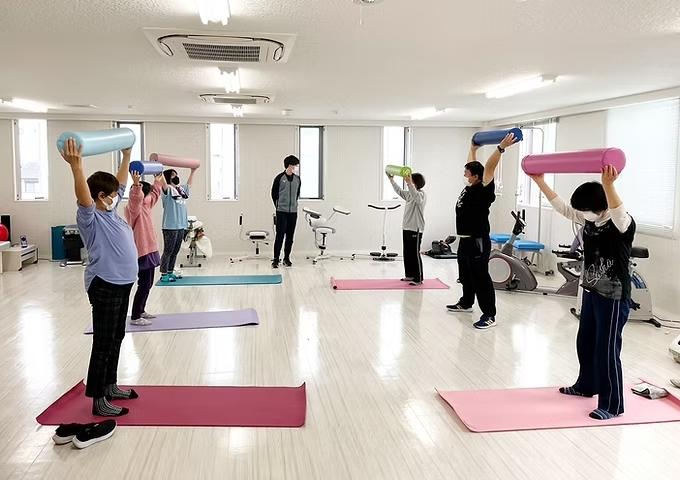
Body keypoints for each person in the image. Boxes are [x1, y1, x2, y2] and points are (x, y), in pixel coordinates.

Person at [530, 166, 635, 420]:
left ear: (599, 206)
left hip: (613, 295)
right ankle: (586, 386)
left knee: (606, 349)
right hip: (591, 290)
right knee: (585, 341)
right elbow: (564, 208)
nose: (582, 213)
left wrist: (608, 184)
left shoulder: (621, 223)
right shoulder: (590, 219)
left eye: (585, 208)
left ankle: (612, 405)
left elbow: (618, 210)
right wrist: (540, 182)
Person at [61, 138, 138, 417]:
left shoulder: (111, 211)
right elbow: (84, 198)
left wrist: (126, 155)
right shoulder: (91, 218)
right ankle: (98, 399)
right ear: (100, 196)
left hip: (123, 283)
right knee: (103, 342)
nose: (117, 196)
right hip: (105, 284)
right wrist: (76, 167)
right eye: (112, 194)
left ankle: (110, 385)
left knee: (117, 336)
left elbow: (119, 183)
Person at [446, 133, 517, 329]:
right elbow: (473, 164)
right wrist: (473, 149)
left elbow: (489, 167)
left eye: (467, 173)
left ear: (476, 176)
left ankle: (489, 314)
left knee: (480, 277)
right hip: (465, 239)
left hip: (477, 239)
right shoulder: (471, 185)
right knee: (465, 273)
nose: (464, 175)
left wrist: (500, 148)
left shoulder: (484, 188)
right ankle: (466, 302)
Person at [125, 170, 164, 326]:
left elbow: (155, 195)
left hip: (151, 248)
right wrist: (136, 184)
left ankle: (141, 310)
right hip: (142, 250)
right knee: (144, 283)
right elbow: (135, 199)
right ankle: (135, 316)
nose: (148, 198)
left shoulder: (146, 206)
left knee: (148, 283)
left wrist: (157, 180)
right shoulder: (134, 209)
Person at [387, 172, 427, 285]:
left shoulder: (421, 194)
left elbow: (417, 198)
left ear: (415, 182)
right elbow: (399, 191)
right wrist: (391, 180)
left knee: (414, 253)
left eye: (411, 180)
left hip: (416, 228)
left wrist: (409, 183)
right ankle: (410, 275)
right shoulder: (409, 194)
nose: (408, 182)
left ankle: (418, 278)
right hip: (406, 227)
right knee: (407, 252)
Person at [160, 167, 197, 282]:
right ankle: (164, 274)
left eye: (176, 174)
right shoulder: (167, 189)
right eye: (172, 175)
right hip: (170, 226)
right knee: (168, 251)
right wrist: (159, 171)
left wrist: (193, 171)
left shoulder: (180, 190)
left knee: (175, 251)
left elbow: (189, 185)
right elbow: (163, 182)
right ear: (167, 178)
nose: (176, 177)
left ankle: (170, 272)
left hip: (181, 225)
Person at [271, 155, 301, 268]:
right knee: (280, 236)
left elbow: (297, 194)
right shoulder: (279, 178)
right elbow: (274, 194)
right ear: (289, 165)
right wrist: (278, 206)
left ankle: (286, 258)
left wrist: (293, 204)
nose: (296, 168)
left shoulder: (297, 179)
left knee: (290, 236)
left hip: (293, 212)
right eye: (295, 165)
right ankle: (276, 259)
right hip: (281, 212)